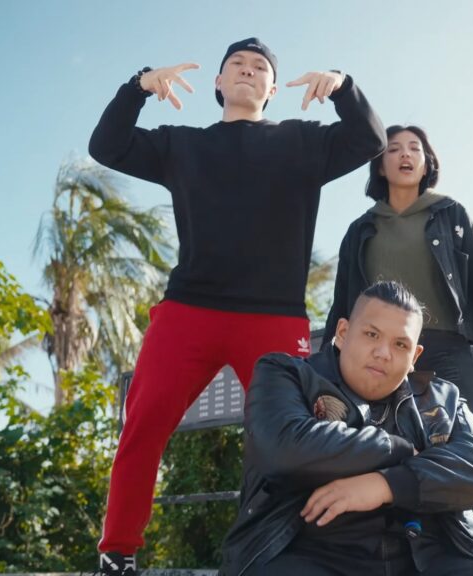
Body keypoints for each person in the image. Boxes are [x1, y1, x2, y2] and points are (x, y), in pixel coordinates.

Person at [87, 38, 386, 575]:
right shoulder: (182, 144)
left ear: (271, 89)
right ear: (219, 84)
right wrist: (138, 88)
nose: (248, 70)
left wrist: (343, 86)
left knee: (299, 439)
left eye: (260, 67)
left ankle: (310, 553)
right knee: (143, 424)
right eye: (237, 65)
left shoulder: (303, 142)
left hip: (274, 317)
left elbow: (369, 138)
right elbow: (106, 146)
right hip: (188, 311)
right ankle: (117, 553)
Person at [322, 125, 473, 574]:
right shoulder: (360, 229)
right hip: (383, 354)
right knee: (383, 450)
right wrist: (326, 367)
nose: (405, 155)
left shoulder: (450, 214)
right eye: (393, 149)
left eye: (414, 148)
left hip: (445, 350)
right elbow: (343, 304)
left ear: (426, 162)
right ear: (380, 166)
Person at [219, 281, 473, 575]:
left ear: (414, 357)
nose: (383, 353)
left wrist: (386, 485)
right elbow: (283, 446)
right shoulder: (286, 374)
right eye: (372, 334)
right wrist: (397, 449)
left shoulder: (444, 398)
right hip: (307, 553)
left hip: (428, 555)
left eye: (400, 344)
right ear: (343, 333)